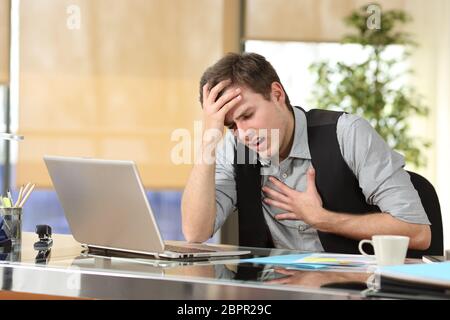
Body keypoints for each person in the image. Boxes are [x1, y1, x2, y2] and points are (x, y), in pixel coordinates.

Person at [181, 52, 431, 254]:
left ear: (277, 94)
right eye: (231, 126)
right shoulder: (235, 149)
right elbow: (195, 233)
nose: (243, 133)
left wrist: (323, 219)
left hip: (355, 291)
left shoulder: (347, 133)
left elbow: (417, 231)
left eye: (247, 115)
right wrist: (209, 140)